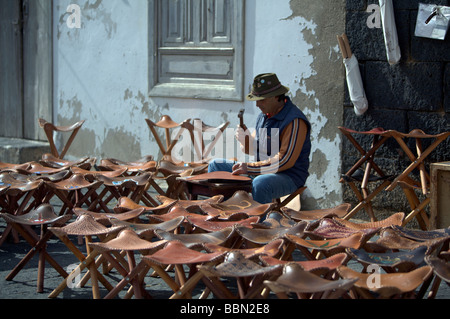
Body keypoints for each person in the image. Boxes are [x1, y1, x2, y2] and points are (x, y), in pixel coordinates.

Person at [208, 73, 311, 204]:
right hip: (260, 170)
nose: (257, 104)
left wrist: (250, 168)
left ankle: (260, 223)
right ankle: (227, 212)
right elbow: (253, 150)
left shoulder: (294, 121)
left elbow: (285, 161)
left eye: (261, 100)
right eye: (256, 99)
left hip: (289, 176)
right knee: (215, 166)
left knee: (261, 183)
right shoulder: (264, 116)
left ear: (276, 97)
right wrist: (245, 140)